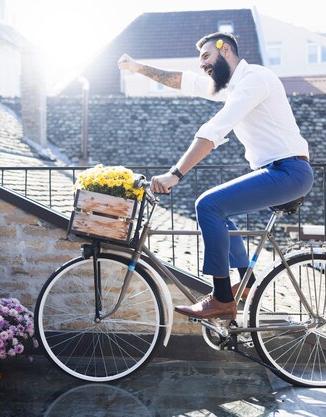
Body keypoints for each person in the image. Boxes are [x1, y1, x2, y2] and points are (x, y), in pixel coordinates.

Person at [118, 32, 314, 319]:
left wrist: (175, 174)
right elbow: (185, 82)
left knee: (208, 205)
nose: (202, 64)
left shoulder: (255, 79)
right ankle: (246, 282)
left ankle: (222, 298)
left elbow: (216, 127)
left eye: (206, 56)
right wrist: (139, 69)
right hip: (278, 171)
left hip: (289, 171)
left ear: (226, 50)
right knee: (220, 213)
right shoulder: (233, 87)